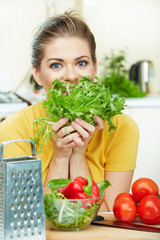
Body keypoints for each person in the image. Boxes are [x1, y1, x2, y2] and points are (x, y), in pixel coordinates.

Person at [0, 10, 139, 212]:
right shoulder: (12, 132)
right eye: (56, 65)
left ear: (95, 68)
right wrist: (61, 157)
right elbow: (31, 218)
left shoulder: (122, 128)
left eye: (81, 63)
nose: (72, 75)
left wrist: (79, 156)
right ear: (37, 74)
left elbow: (107, 217)